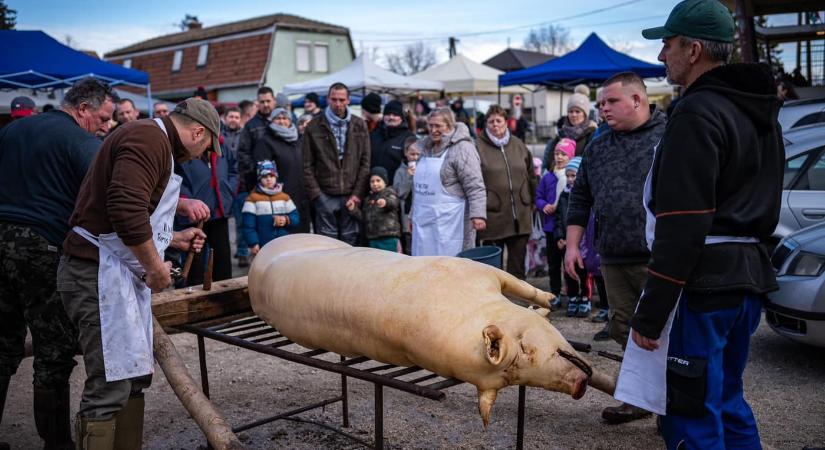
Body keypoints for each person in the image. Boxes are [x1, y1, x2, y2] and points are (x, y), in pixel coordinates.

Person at [618, 2, 784, 448]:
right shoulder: (758, 110)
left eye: (667, 45)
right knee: (727, 399)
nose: (661, 56)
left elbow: (683, 224)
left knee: (691, 408)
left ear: (693, 50)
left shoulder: (697, 112)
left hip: (706, 282)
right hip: (746, 278)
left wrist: (650, 316)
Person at [58, 98, 215, 447]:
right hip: (95, 274)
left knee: (133, 375)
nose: (203, 155)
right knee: (110, 383)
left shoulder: (156, 141)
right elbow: (125, 209)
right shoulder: (148, 139)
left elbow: (132, 216)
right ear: (198, 131)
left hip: (117, 274)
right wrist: (155, 267)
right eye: (207, 147)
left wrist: (172, 239)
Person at [0, 77, 115, 450]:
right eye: (103, 118)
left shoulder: (15, 129)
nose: (106, 126)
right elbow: (109, 188)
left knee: (1, 345)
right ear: (82, 109)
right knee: (54, 350)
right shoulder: (80, 141)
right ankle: (57, 445)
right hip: (40, 248)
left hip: (0, 240)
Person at [564, 71, 666, 424]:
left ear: (638, 100)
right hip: (614, 254)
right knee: (624, 329)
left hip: (660, 255)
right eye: (601, 102)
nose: (603, 108)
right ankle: (639, 399)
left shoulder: (667, 136)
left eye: (611, 101)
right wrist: (572, 246)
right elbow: (581, 197)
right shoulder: (599, 144)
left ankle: (673, 407)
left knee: (665, 332)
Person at [303, 82, 371, 246]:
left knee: (351, 244)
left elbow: (365, 162)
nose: (338, 104)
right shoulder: (314, 126)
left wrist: (357, 194)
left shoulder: (359, 124)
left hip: (351, 194)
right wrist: (318, 196)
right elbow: (306, 165)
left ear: (348, 101)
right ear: (327, 100)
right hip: (325, 194)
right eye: (334, 99)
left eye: (341, 99)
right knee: (327, 245)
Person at [411, 107, 486, 256]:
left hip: (452, 222)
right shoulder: (425, 147)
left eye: (438, 126)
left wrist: (478, 215)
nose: (433, 130)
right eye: (430, 125)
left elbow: (475, 185)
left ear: (450, 125)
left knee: (451, 266)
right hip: (423, 220)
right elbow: (419, 188)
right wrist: (412, 214)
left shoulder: (463, 148)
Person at [175, 117, 237, 287]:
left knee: (222, 258)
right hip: (193, 216)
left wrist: (228, 193)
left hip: (219, 210)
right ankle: (192, 298)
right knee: (194, 260)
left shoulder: (223, 146)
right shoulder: (184, 148)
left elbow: (233, 171)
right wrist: (187, 202)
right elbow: (175, 180)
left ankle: (225, 296)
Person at [476, 104, 536, 280]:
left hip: (521, 214)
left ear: (506, 122)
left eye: (498, 121)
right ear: (486, 124)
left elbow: (532, 174)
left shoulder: (518, 145)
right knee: (492, 267)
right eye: (491, 121)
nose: (495, 125)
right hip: (493, 215)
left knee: (517, 264)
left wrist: (533, 200)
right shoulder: (478, 146)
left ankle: (516, 300)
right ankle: (495, 299)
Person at [236, 87, 276, 266]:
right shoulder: (251, 126)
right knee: (260, 227)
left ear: (273, 101)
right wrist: (260, 171)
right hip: (258, 185)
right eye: (262, 101)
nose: (266, 104)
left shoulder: (280, 120)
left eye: (268, 101)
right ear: (257, 103)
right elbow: (242, 153)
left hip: (280, 185)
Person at [253, 107, 310, 233]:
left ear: (290, 121)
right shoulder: (265, 142)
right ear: (272, 121)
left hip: (302, 199)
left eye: (285, 118)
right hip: (280, 200)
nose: (281, 121)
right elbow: (262, 175)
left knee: (303, 239)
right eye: (278, 118)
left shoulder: (298, 140)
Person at [553, 157, 591, 318]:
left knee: (584, 272)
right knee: (568, 271)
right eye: (567, 176)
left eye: (573, 176)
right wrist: (560, 237)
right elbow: (560, 218)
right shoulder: (563, 195)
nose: (570, 179)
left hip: (583, 243)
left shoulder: (586, 195)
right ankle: (573, 297)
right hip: (566, 241)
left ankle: (585, 298)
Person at [242, 160, 299, 256]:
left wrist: (286, 219)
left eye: (271, 176)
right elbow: (248, 225)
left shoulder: (284, 197)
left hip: (283, 244)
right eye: (264, 177)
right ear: (259, 179)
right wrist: (253, 243)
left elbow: (296, 217)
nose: (268, 179)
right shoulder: (252, 199)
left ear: (276, 177)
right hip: (263, 246)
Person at [348, 166, 401, 252]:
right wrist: (353, 209)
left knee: (390, 261)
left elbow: (393, 203)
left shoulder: (389, 192)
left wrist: (385, 202)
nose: (375, 184)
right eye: (372, 181)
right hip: (373, 239)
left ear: (385, 182)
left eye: (378, 180)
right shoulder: (368, 199)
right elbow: (364, 218)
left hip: (388, 237)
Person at [542, 93, 597, 172]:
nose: (573, 115)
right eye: (571, 111)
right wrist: (556, 166)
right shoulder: (560, 134)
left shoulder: (592, 133)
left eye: (577, 111)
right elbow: (549, 161)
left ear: (585, 114)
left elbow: (591, 160)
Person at [370, 100, 415, 178]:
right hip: (374, 185)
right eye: (388, 114)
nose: (391, 117)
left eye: (395, 114)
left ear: (401, 117)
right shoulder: (374, 134)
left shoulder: (409, 138)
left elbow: (413, 165)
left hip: (397, 187)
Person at [393, 136, 421, 254]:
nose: (415, 157)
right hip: (406, 216)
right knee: (409, 245)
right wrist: (409, 176)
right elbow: (400, 193)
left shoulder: (424, 167)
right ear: (406, 153)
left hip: (421, 213)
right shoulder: (400, 171)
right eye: (412, 154)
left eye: (418, 154)